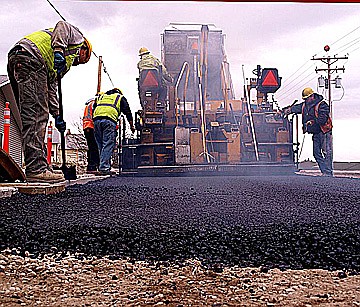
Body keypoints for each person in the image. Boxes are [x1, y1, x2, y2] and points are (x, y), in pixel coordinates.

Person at [7, 20, 92, 183]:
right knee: (36, 117)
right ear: (84, 50)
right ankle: (36, 169)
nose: (77, 63)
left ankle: (40, 166)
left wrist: (57, 115)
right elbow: (62, 25)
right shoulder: (77, 38)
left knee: (30, 115)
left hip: (18, 56)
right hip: (32, 58)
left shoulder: (56, 64)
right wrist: (59, 50)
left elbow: (51, 91)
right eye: (82, 60)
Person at [282, 87, 333, 177]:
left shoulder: (322, 105)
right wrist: (287, 110)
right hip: (316, 133)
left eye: (307, 98)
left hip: (324, 132)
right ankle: (325, 172)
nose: (306, 100)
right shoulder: (305, 105)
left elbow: (323, 119)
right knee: (316, 153)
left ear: (312, 96)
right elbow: (296, 108)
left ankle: (328, 173)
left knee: (326, 152)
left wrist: (313, 121)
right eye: (304, 99)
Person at [93, 88, 135, 175]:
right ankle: (104, 168)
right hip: (109, 121)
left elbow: (94, 108)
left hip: (96, 121)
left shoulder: (101, 97)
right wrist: (132, 126)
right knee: (108, 144)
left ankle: (103, 166)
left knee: (101, 145)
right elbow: (128, 112)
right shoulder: (119, 97)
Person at [83, 96, 100, 173]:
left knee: (91, 147)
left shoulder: (88, 105)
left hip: (87, 127)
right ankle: (93, 166)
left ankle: (91, 166)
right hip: (91, 127)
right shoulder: (94, 104)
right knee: (94, 147)